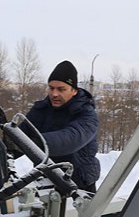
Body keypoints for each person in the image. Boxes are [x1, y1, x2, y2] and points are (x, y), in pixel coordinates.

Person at [22, 60, 100, 192]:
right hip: (45, 179)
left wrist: (34, 143)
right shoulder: (40, 110)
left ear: (74, 90)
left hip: (78, 184)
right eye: (51, 88)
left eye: (61, 89)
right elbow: (19, 136)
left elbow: (71, 139)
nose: (54, 94)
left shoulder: (87, 114)